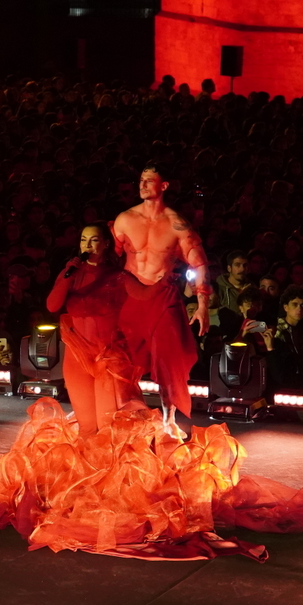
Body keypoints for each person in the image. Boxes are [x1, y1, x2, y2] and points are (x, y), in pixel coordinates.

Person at [111, 162, 210, 431]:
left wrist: (202, 304)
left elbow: (198, 263)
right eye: (140, 180)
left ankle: (168, 418)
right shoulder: (125, 219)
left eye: (149, 180)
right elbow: (110, 260)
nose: (142, 185)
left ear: (163, 186)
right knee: (122, 359)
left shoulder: (176, 224)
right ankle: (125, 412)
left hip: (163, 298)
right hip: (131, 296)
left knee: (167, 359)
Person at [45, 225, 146, 435]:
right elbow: (52, 306)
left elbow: (145, 297)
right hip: (77, 356)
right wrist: (67, 276)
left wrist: (166, 280)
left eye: (94, 240)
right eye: (83, 240)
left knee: (107, 425)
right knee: (87, 425)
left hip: (108, 357)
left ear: (106, 244)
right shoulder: (71, 273)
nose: (87, 245)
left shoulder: (119, 276)